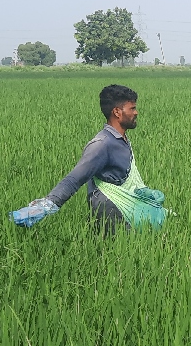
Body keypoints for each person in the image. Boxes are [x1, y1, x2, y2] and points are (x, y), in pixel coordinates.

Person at [11, 84, 168, 234]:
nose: (136, 112)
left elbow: (122, 176)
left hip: (124, 205)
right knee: (116, 253)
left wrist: (143, 191)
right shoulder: (102, 144)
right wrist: (46, 206)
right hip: (111, 209)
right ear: (117, 112)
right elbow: (74, 179)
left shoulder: (120, 139)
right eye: (132, 108)